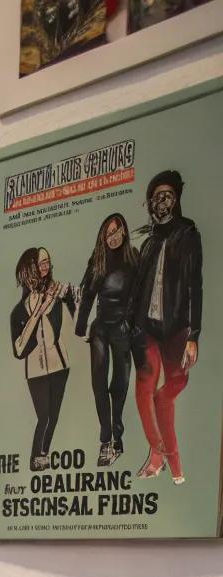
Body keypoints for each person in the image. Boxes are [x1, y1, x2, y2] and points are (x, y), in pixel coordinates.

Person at [129, 169, 202, 485]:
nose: (163, 200)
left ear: (177, 200)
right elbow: (138, 288)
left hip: (176, 329)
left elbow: (195, 286)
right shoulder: (147, 243)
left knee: (168, 392)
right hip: (146, 328)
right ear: (149, 202)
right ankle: (158, 457)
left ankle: (173, 462)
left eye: (169, 194)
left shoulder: (187, 234)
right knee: (143, 390)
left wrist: (194, 334)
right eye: (157, 195)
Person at [75, 212, 138, 466]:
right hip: (100, 327)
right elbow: (88, 296)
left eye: (116, 231)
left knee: (120, 384)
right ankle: (105, 439)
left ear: (124, 230)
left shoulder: (133, 257)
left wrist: (131, 325)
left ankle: (118, 438)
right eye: (108, 233)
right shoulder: (98, 260)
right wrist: (81, 327)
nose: (113, 237)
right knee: (98, 381)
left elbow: (140, 295)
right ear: (103, 236)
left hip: (122, 327)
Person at [11, 246, 76, 471]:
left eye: (47, 261)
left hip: (60, 364)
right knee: (44, 416)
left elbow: (79, 317)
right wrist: (37, 312)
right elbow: (19, 350)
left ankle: (44, 454)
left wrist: (70, 295)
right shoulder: (18, 311)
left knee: (54, 416)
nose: (45, 267)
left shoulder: (57, 293)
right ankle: (34, 457)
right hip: (35, 371)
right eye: (40, 263)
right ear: (29, 270)